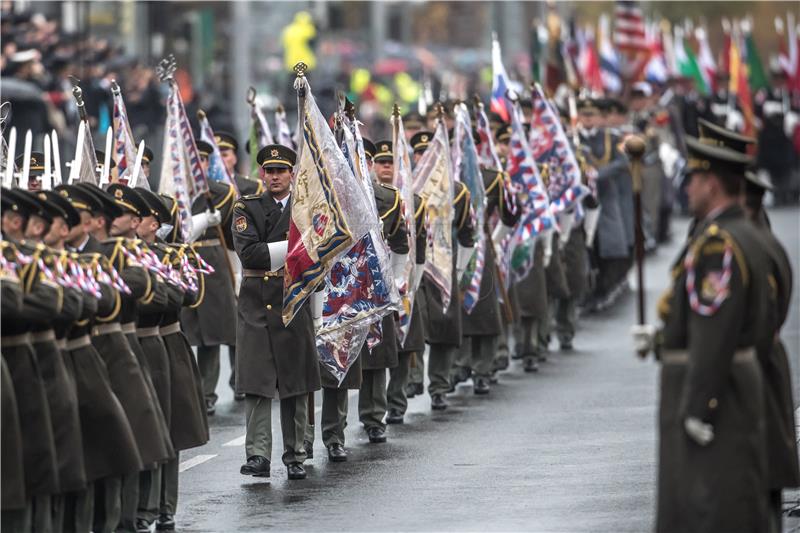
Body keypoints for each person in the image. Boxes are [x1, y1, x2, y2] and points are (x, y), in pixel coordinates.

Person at [632, 135, 771, 532]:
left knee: (710, 506)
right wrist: (660, 340)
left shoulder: (718, 246)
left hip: (717, 390)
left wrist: (699, 406)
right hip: (729, 382)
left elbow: (714, 331)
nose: (686, 188)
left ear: (711, 184)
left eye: (692, 179)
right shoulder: (738, 233)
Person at [232, 143, 321, 481]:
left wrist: (309, 243)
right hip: (256, 300)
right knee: (257, 381)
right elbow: (251, 255)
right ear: (261, 174)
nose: (274, 177)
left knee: (295, 381)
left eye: (281, 171)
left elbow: (321, 257)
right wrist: (301, 245)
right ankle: (257, 454)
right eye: (269, 171)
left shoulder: (306, 209)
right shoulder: (247, 206)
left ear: (292, 174)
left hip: (292, 299)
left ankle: (296, 452)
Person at [357, 140, 408, 443]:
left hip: (375, 283)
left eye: (365, 157)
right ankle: (329, 432)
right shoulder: (326, 194)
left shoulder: (387, 198)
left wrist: (398, 279)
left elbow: (400, 242)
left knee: (375, 353)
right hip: (339, 285)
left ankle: (374, 415)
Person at [180, 140, 237, 414]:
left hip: (212, 263)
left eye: (202, 161)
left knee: (212, 334)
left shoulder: (222, 193)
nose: (198, 166)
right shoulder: (173, 193)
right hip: (182, 262)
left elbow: (232, 235)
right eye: (194, 161)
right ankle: (187, 389)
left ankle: (206, 393)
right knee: (184, 331)